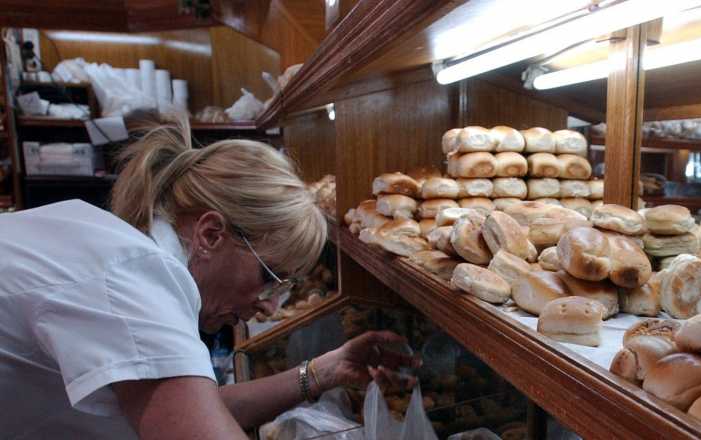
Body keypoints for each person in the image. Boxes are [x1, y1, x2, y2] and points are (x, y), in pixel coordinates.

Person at [0, 120, 417, 439]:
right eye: (270, 278)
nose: (270, 307)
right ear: (211, 234)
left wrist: (324, 371)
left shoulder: (130, 257)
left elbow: (195, 408)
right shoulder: (135, 280)